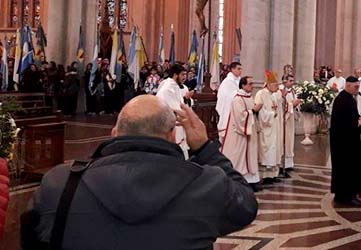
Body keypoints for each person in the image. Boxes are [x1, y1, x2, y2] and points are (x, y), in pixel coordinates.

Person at [21, 95, 258, 249]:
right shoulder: (206, 184)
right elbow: (245, 207)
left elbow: (32, 239)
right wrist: (206, 149)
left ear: (114, 132)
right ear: (172, 135)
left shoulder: (60, 183)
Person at [330, 76, 361, 206]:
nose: (358, 89)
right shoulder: (341, 100)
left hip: (349, 141)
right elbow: (341, 123)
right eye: (356, 87)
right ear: (348, 85)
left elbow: (352, 115)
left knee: (349, 168)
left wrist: (358, 119)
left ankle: (346, 194)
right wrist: (358, 123)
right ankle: (345, 196)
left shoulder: (349, 98)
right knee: (344, 169)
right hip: (342, 143)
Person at [222, 76, 262, 191]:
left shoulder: (250, 97)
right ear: (243, 85)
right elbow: (240, 117)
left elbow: (251, 114)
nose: (252, 86)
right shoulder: (237, 99)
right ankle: (242, 180)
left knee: (251, 155)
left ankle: (252, 180)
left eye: (252, 83)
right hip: (240, 134)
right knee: (240, 158)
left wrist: (255, 112)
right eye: (250, 84)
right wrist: (254, 110)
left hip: (250, 132)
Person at [255, 71, 284, 184]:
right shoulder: (260, 94)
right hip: (266, 127)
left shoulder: (273, 95)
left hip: (274, 127)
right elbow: (260, 111)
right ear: (268, 84)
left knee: (274, 149)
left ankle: (272, 175)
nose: (277, 87)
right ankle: (265, 175)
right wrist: (272, 115)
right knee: (266, 150)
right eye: (275, 85)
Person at [156, 63, 190, 157]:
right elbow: (168, 107)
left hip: (178, 123)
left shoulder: (175, 86)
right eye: (182, 74)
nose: (185, 77)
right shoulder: (167, 88)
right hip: (171, 126)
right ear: (175, 75)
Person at [216, 62, 243, 142]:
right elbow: (225, 96)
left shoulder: (239, 81)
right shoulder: (227, 82)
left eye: (241, 69)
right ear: (232, 69)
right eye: (238, 69)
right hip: (227, 110)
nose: (240, 71)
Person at [280, 75, 300, 175]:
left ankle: (289, 163)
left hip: (290, 118)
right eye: (290, 80)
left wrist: (297, 104)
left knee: (290, 140)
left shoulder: (292, 91)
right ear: (284, 81)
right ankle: (282, 164)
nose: (292, 82)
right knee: (285, 140)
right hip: (284, 120)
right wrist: (292, 104)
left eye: (293, 80)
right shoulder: (281, 91)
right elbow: (282, 105)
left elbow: (293, 102)